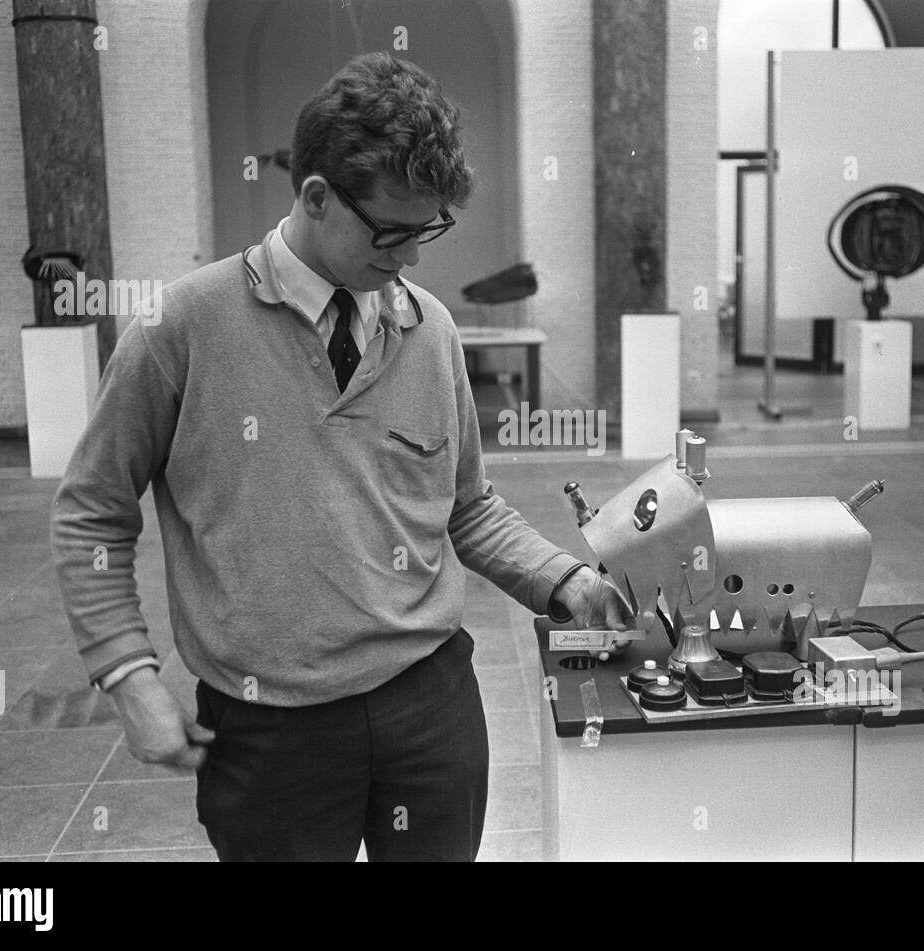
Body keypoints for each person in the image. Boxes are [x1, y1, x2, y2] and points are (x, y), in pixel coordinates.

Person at [51, 52, 632, 862]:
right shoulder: (181, 326)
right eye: (392, 231)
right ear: (316, 196)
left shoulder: (429, 329)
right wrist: (126, 675)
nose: (412, 257)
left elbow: (466, 504)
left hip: (432, 707)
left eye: (428, 230)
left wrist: (562, 578)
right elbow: (92, 510)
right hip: (269, 728)